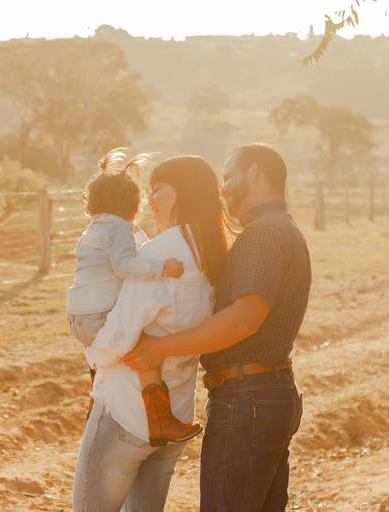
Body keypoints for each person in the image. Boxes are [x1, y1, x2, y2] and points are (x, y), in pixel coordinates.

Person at [123, 143, 311, 512]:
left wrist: (161, 348)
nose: (223, 189)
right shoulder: (284, 230)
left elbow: (244, 319)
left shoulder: (263, 236)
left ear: (254, 172)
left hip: (246, 400)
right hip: (265, 394)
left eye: (229, 176)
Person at [73, 155, 228, 512]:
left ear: (183, 193)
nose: (150, 201)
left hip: (126, 410)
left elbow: (121, 334)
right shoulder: (211, 253)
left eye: (158, 191)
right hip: (175, 407)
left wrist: (93, 354)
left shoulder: (161, 253)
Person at [66, 148, 200, 444]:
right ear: (132, 203)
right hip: (97, 315)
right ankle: (160, 419)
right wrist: (161, 268)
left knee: (109, 345)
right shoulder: (119, 228)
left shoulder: (95, 228)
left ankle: (94, 401)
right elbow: (124, 265)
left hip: (78, 317)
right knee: (145, 348)